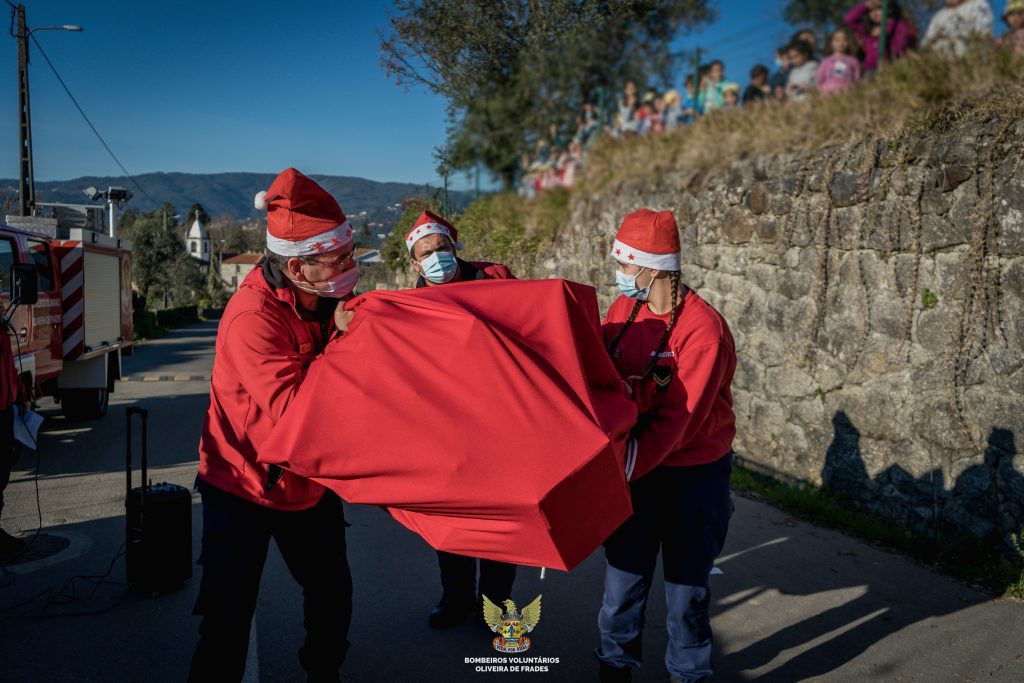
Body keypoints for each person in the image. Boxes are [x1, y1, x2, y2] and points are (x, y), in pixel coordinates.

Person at [190, 168, 357, 683]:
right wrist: (347, 345)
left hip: (306, 484)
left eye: (349, 254)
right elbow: (296, 411)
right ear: (296, 266)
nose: (348, 267)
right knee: (228, 614)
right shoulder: (251, 318)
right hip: (241, 485)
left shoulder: (328, 297)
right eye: (336, 259)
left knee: (332, 594)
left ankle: (322, 673)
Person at [595, 209, 736, 683]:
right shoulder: (621, 312)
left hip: (693, 476)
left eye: (623, 264)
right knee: (622, 584)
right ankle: (614, 665)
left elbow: (681, 420)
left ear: (652, 267)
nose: (618, 274)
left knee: (686, 593)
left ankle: (689, 673)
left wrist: (626, 462)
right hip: (635, 472)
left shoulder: (704, 330)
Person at [403, 210, 518, 628]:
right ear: (415, 265)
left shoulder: (494, 280)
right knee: (450, 523)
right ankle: (455, 599)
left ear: (455, 248)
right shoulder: (408, 306)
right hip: (446, 433)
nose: (437, 258)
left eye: (442, 249)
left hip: (500, 427)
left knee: (501, 525)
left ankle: (496, 606)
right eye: (426, 254)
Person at [0, 322, 26, 555]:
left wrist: (19, 395)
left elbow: (9, 366)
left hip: (5, 408)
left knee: (2, 469)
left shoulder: (3, 331)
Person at [845, 0, 913, 71]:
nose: (874, 13)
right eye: (871, 11)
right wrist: (866, 5)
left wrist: (887, 56)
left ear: (889, 10)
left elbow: (900, 46)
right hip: (869, 68)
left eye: (878, 9)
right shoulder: (868, 29)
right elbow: (849, 20)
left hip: (889, 67)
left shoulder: (898, 25)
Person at [922, 0, 995, 55]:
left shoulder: (978, 5)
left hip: (967, 65)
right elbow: (925, 44)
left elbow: (982, 36)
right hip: (937, 67)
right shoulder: (938, 16)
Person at [817, 27, 862, 94]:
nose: (841, 42)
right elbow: (820, 79)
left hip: (847, 94)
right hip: (827, 94)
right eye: (837, 40)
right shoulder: (826, 61)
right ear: (831, 43)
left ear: (849, 42)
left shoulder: (853, 61)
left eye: (844, 39)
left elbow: (857, 79)